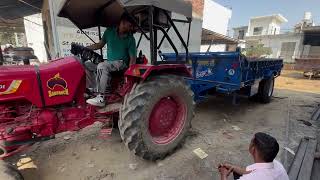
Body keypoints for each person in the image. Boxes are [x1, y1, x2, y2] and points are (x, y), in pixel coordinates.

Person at [86, 13, 137, 107]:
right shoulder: (109, 31)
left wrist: (129, 76)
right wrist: (86, 48)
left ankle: (100, 97)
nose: (131, 28)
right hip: (110, 63)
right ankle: (92, 90)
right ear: (123, 22)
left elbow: (133, 58)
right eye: (130, 26)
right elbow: (100, 44)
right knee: (87, 64)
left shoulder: (130, 39)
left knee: (102, 65)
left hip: (122, 63)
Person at [218, 132, 289, 180]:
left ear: (253, 149)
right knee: (237, 173)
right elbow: (248, 171)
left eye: (251, 141)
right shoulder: (276, 164)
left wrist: (223, 175)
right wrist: (232, 167)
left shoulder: (252, 178)